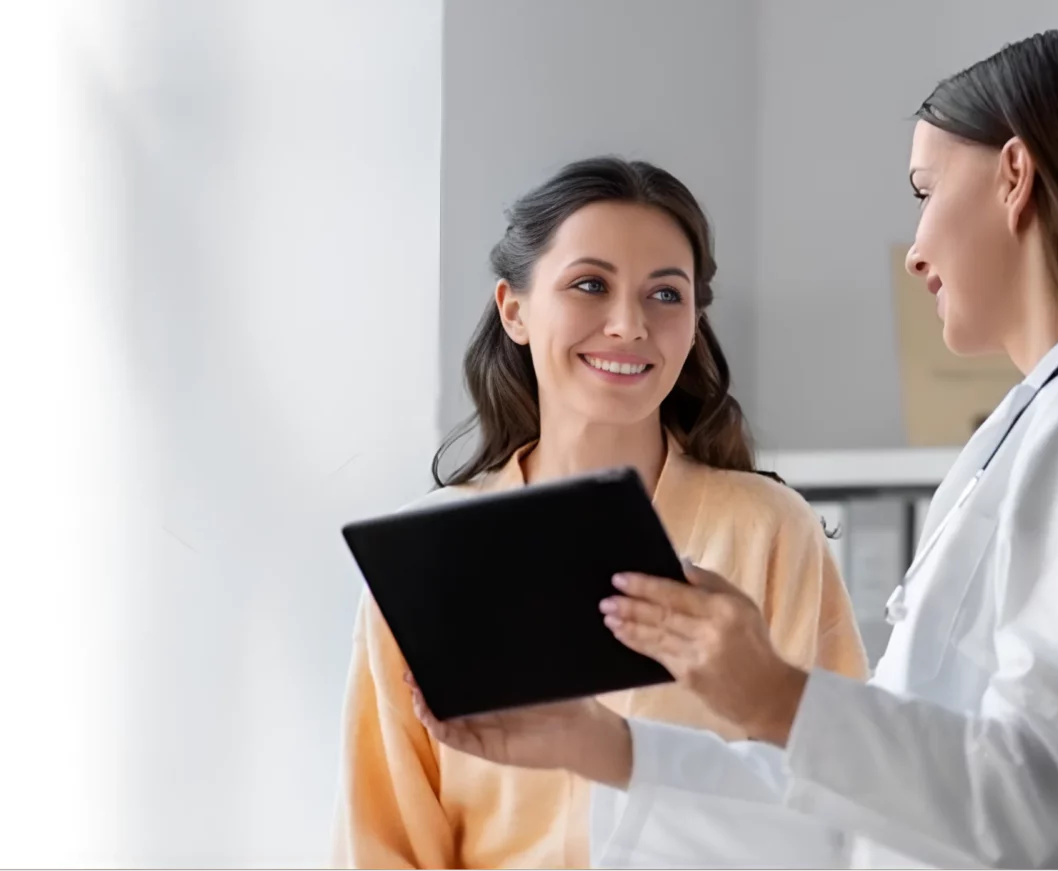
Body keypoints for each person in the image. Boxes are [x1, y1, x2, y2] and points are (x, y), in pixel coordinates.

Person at [414, 29, 1058, 869]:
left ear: (1014, 175)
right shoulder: (1047, 422)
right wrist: (603, 745)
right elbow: (863, 821)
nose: (916, 247)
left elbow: (1047, 798)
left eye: (926, 189)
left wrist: (776, 694)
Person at [333, 156, 871, 869]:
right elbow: (383, 835)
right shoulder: (430, 554)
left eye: (666, 294)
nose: (629, 323)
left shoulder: (770, 530)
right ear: (514, 309)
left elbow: (843, 796)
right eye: (590, 284)